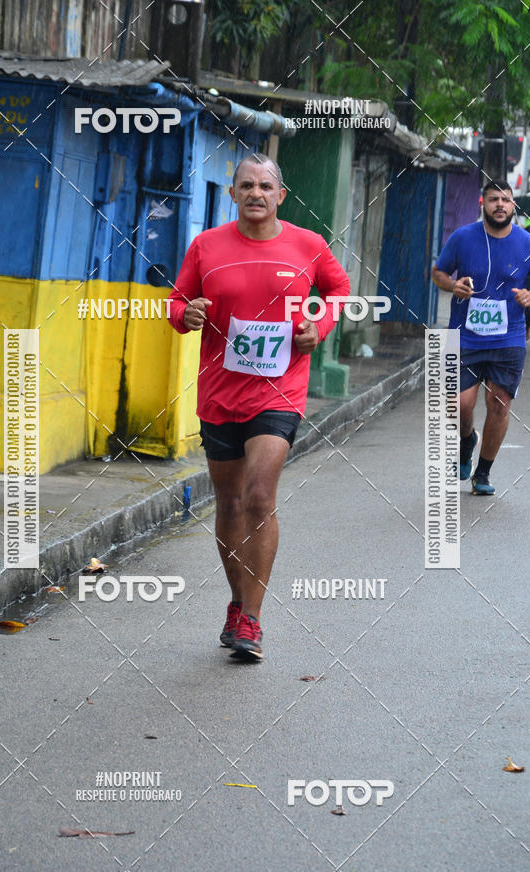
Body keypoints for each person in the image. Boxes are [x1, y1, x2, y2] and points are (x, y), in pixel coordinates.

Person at [168, 153, 350, 661]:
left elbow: (338, 290)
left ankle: (252, 619)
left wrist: (321, 323)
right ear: (232, 194)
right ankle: (236, 601)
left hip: (280, 391)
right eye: (246, 185)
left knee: (259, 496)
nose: (255, 193)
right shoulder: (206, 246)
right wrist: (190, 313)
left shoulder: (308, 245)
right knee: (227, 504)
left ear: (280, 195)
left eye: (265, 186)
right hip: (220, 393)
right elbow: (176, 304)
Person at [432, 180, 530, 496]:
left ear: (513, 205)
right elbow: (438, 272)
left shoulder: (528, 243)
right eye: (493, 199)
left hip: (510, 338)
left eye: (506, 200)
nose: (500, 205)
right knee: (459, 403)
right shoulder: (463, 237)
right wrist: (452, 285)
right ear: (483, 203)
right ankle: (466, 440)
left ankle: (483, 473)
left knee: (499, 404)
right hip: (464, 337)